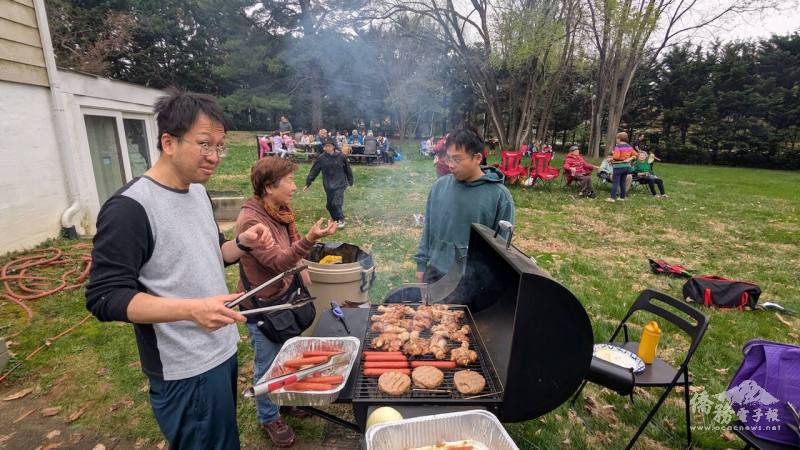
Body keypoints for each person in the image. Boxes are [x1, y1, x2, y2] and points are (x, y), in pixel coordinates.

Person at [85, 89, 271, 449]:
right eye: (205, 144)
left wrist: (243, 243)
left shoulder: (197, 193)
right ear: (168, 142)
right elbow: (105, 296)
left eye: (220, 146)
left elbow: (212, 255)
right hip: (183, 368)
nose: (215, 156)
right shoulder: (130, 208)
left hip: (221, 349)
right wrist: (190, 310)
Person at [237, 157, 337, 447]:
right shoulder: (252, 220)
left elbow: (290, 253)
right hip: (264, 304)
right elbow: (279, 262)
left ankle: (285, 399)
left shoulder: (280, 210)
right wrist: (309, 239)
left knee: (288, 352)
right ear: (269, 187)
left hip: (286, 297)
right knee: (268, 363)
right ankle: (269, 417)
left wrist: (304, 277)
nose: (295, 186)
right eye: (290, 181)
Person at [414, 126, 515, 283]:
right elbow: (428, 227)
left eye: (457, 159)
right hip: (436, 270)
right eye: (448, 158)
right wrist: (421, 264)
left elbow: (502, 247)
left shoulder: (499, 196)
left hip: (474, 279)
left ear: (477, 158)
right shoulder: (439, 187)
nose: (451, 165)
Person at [304, 137, 354, 228]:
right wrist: (308, 182)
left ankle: (341, 220)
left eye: (328, 146)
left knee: (336, 202)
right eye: (325, 146)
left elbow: (348, 169)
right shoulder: (321, 158)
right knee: (329, 205)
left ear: (333, 146)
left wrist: (350, 181)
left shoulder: (341, 156)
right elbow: (314, 170)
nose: (326, 148)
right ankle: (335, 219)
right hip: (328, 185)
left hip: (340, 183)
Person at [607, 132, 637, 203]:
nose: (616, 140)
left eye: (617, 139)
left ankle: (612, 198)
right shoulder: (629, 146)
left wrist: (611, 158)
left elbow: (616, 157)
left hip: (618, 167)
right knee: (622, 182)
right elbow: (636, 155)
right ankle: (622, 197)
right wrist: (630, 158)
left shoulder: (618, 147)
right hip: (626, 167)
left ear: (619, 139)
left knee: (615, 182)